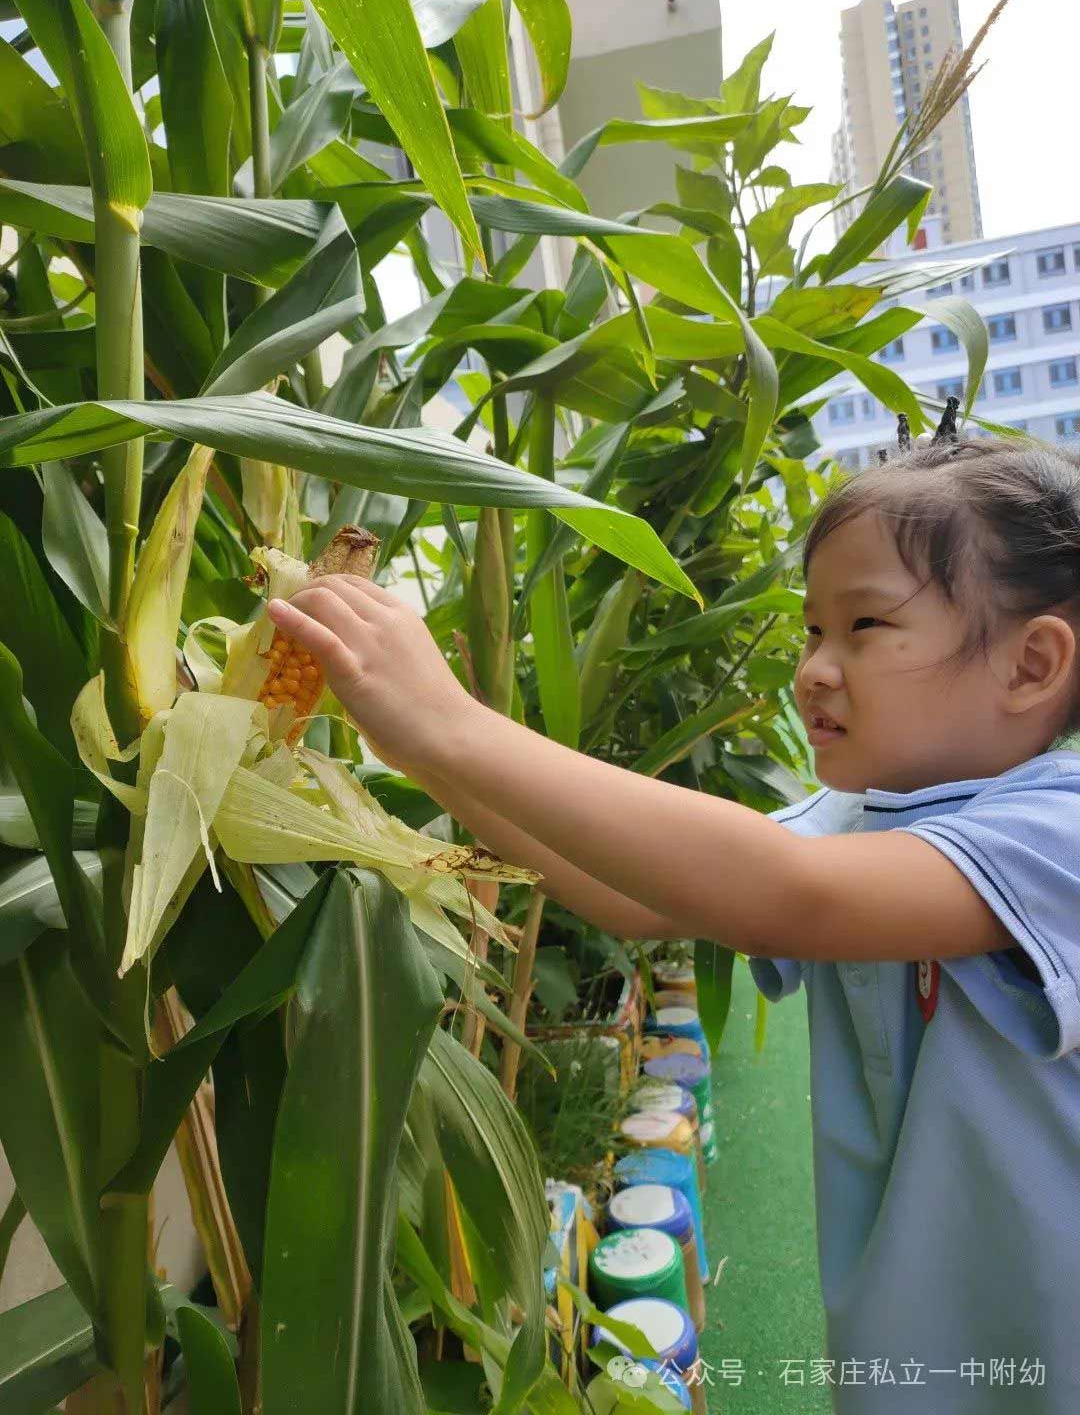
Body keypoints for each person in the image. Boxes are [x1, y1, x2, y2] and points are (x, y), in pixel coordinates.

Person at [268, 433, 1080, 1414]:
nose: (816, 669)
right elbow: (629, 892)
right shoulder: (855, 817)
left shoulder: (1057, 832)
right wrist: (426, 749)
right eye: (810, 633)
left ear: (1031, 665)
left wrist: (455, 722)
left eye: (864, 625)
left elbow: (786, 893)